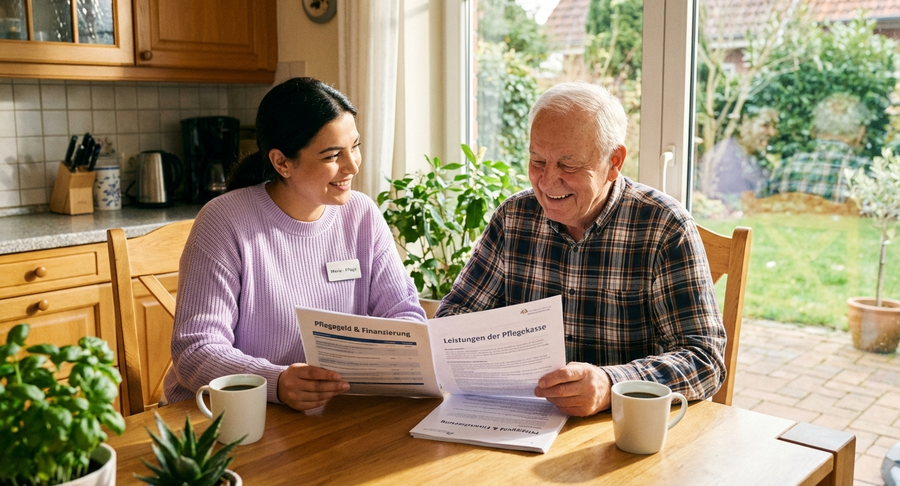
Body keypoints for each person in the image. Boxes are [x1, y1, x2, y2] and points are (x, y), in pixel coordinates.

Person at [435, 81, 726, 417]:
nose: (546, 181)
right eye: (537, 160)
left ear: (614, 161)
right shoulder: (514, 218)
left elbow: (705, 360)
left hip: (617, 431)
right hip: (520, 420)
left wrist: (610, 384)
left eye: (569, 165)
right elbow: (453, 320)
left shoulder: (664, 227)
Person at [163, 77, 426, 411]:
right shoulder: (224, 221)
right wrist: (276, 382)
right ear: (282, 162)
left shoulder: (363, 215)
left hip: (324, 414)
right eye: (332, 155)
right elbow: (196, 349)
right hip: (220, 415)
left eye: (355, 146)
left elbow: (403, 315)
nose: (352, 165)